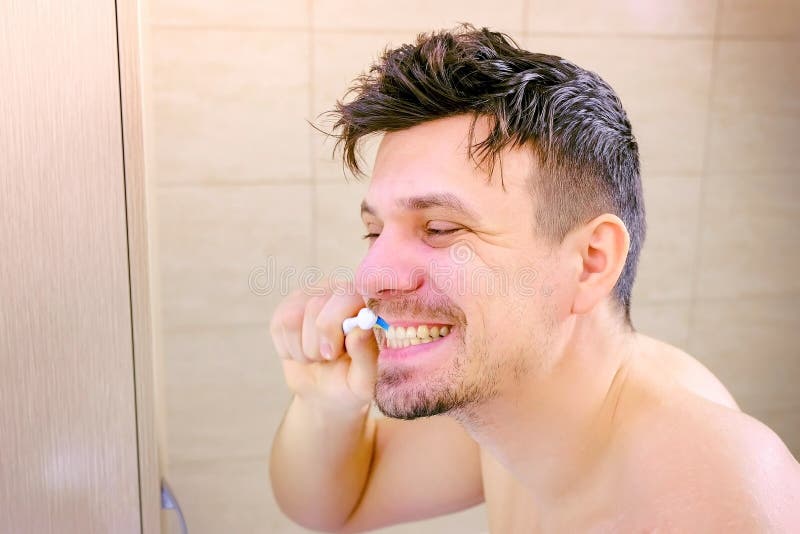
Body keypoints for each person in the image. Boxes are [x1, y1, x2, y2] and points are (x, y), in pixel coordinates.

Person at [269, 25, 800, 532]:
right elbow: (339, 506)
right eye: (375, 232)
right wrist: (325, 405)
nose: (372, 274)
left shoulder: (715, 502)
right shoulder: (512, 402)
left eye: (438, 227)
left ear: (590, 261)